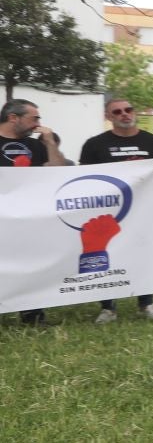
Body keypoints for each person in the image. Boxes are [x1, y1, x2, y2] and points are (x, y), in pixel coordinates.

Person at [81, 96, 153, 323]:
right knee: (110, 253)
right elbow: (84, 177)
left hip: (149, 212)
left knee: (149, 254)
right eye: (117, 112)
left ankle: (146, 304)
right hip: (113, 212)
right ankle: (108, 307)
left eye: (128, 109)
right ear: (108, 117)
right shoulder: (95, 144)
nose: (124, 114)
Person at [1, 99, 57, 325]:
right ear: (13, 118)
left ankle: (32, 313)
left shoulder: (35, 146)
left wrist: (50, 143)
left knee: (31, 263)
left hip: (28, 218)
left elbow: (57, 172)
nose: (38, 123)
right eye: (34, 118)